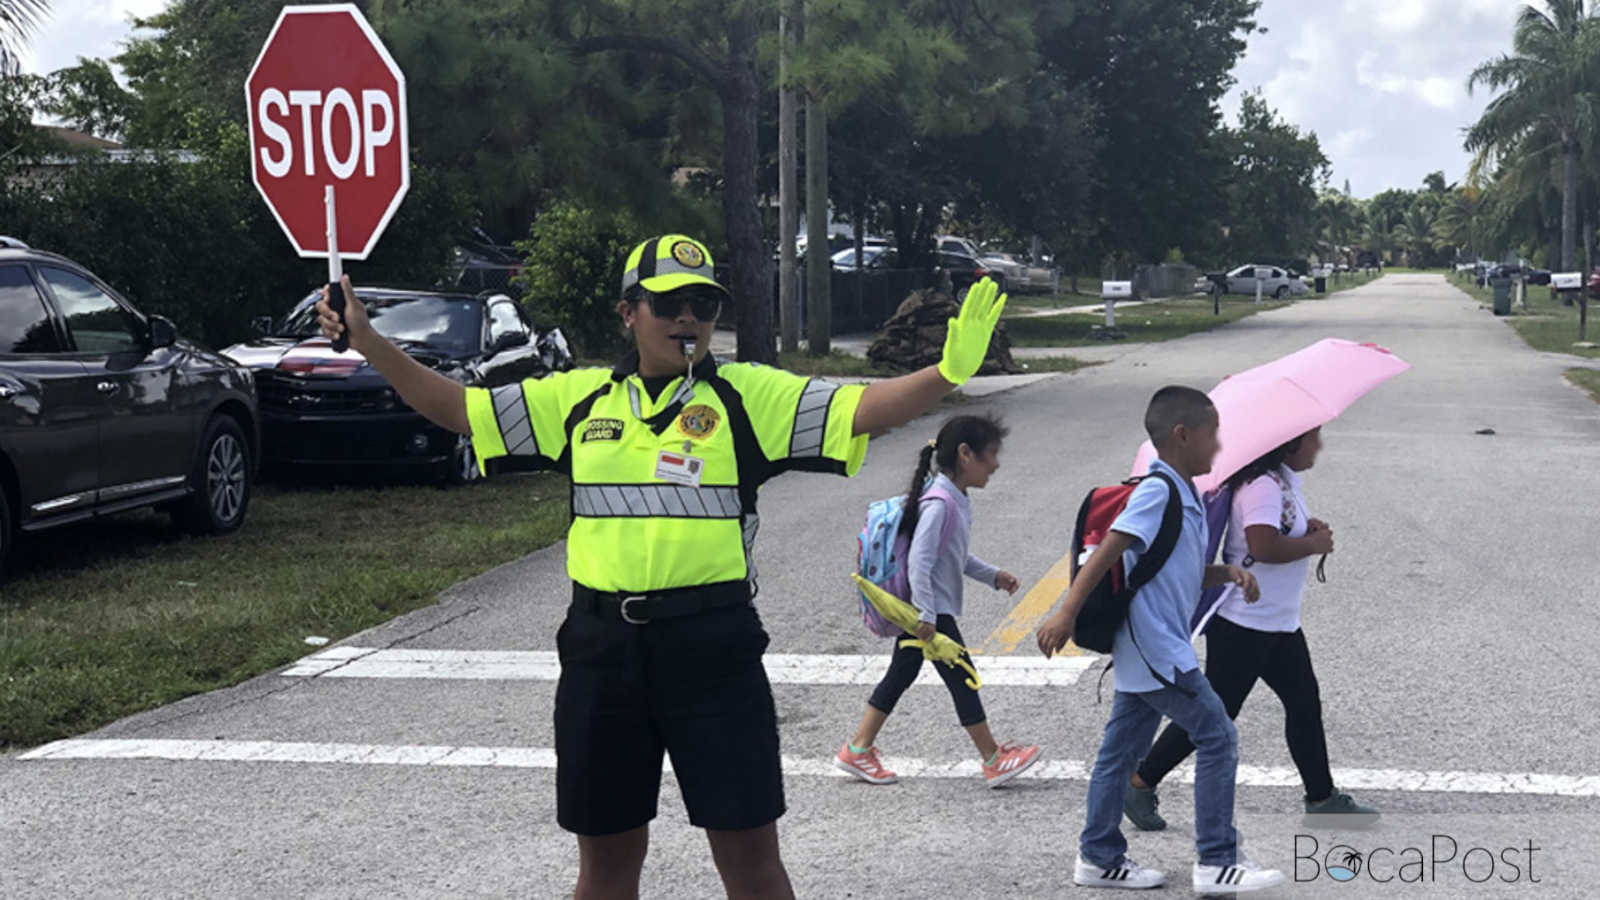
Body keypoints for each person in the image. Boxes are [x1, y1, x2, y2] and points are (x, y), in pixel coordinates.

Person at [315, 234, 1007, 900]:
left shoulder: (747, 397)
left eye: (703, 306)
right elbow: (460, 410)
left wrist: (946, 373)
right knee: (606, 870)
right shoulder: (578, 399)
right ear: (628, 312)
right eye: (668, 302)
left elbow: (864, 408)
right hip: (601, 653)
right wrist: (371, 341)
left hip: (713, 650)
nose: (687, 318)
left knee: (754, 868)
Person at [1036, 386, 1286, 894]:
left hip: (1151, 646)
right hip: (1156, 648)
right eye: (1212, 435)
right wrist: (1066, 611)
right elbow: (1113, 547)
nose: (1218, 447)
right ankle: (1216, 861)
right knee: (1218, 736)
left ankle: (1098, 856)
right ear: (1182, 435)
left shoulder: (1184, 492)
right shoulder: (1159, 491)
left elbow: (1179, 571)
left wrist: (1228, 574)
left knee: (1120, 754)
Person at [1124, 427, 1379, 831]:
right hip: (1247, 625)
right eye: (1313, 437)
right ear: (1290, 443)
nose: (1319, 445)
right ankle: (1139, 781)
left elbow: (1275, 533)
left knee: (1303, 703)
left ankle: (1322, 796)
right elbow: (1262, 547)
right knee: (1218, 712)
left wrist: (1305, 530)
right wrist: (1313, 546)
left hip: (1276, 623)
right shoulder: (1262, 485)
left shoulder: (1278, 480)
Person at [834, 413, 1043, 788]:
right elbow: (920, 560)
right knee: (962, 678)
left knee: (902, 673)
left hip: (928, 610)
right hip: (928, 612)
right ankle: (993, 758)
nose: (995, 464)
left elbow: (955, 557)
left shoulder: (955, 498)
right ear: (966, 454)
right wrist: (927, 613)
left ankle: (859, 748)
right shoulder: (940, 502)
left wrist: (993, 575)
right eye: (990, 454)